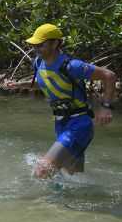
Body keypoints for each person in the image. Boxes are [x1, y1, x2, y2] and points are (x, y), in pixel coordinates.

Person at [6, 23, 116, 178]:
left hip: (79, 125)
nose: (36, 49)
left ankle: (39, 202)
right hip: (61, 124)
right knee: (71, 179)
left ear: (55, 43)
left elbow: (109, 75)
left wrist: (105, 107)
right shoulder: (38, 63)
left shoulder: (72, 66)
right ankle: (73, 201)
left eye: (40, 45)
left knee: (42, 171)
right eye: (34, 45)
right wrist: (19, 85)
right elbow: (50, 83)